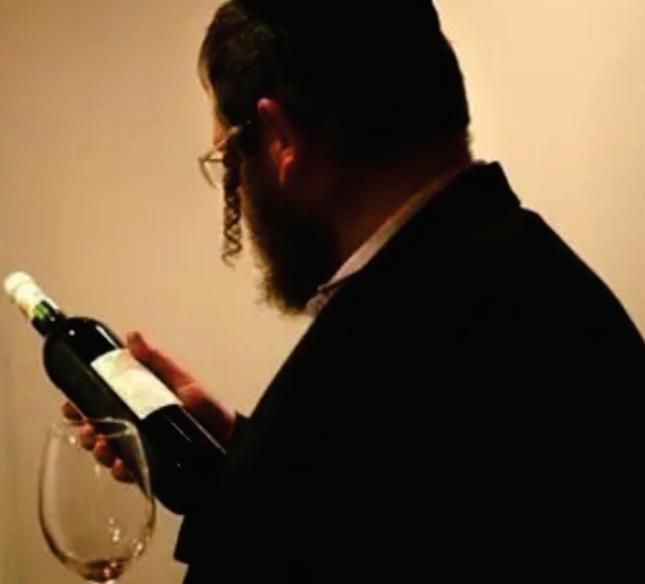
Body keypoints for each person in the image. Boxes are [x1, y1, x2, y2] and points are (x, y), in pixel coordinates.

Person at [66, 0, 645, 580]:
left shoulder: (411, 329)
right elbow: (377, 516)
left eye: (229, 155)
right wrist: (236, 450)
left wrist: (252, 470)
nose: (236, 189)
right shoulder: (518, 277)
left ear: (281, 138)